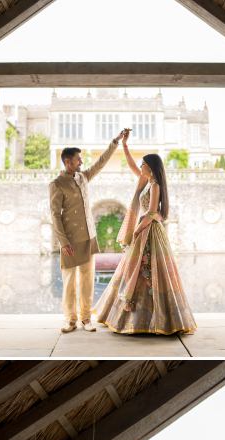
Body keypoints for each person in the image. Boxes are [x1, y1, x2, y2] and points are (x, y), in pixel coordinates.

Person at [94, 133, 197, 335]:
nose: (140, 167)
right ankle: (135, 319)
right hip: (144, 229)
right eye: (141, 165)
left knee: (151, 273)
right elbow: (132, 166)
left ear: (149, 167)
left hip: (149, 230)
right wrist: (125, 146)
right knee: (134, 271)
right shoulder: (147, 181)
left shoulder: (155, 184)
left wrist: (137, 230)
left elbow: (151, 212)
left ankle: (156, 320)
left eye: (143, 165)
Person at [49, 130, 129, 333]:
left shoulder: (83, 178)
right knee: (69, 282)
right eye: (78, 160)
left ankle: (86, 319)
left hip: (88, 238)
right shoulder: (57, 184)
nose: (81, 163)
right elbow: (55, 215)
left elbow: (101, 162)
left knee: (86, 280)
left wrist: (116, 142)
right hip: (69, 241)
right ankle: (69, 320)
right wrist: (63, 242)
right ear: (68, 162)